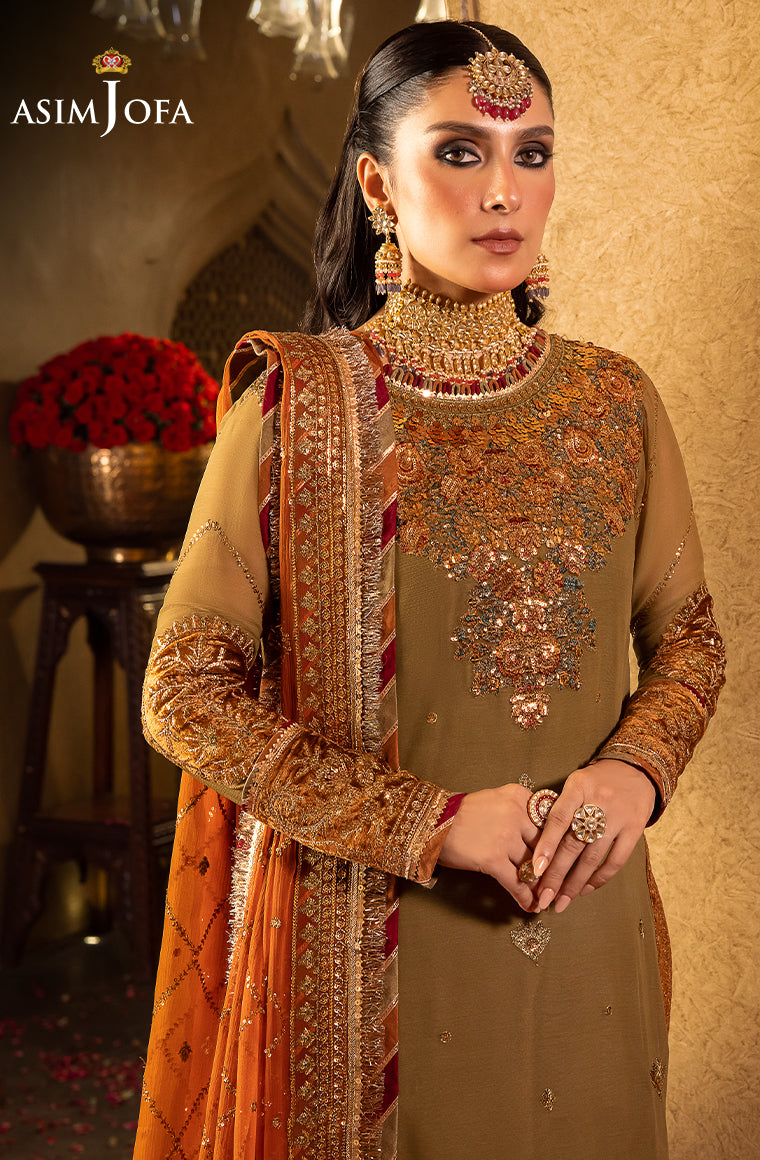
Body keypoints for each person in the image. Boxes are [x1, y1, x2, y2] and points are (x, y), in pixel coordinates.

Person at [133, 20, 725, 1160]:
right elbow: (184, 693)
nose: (504, 190)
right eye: (459, 152)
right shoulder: (295, 406)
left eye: (531, 153)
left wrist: (632, 774)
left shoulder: (615, 401)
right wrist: (429, 823)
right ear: (376, 186)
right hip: (370, 941)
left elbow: (689, 639)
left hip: (587, 919)